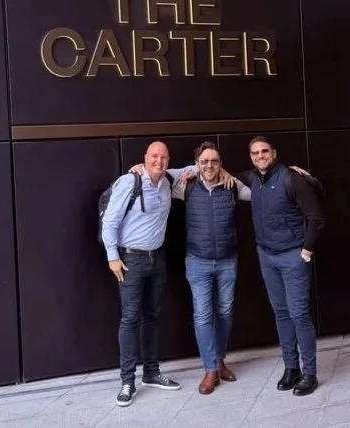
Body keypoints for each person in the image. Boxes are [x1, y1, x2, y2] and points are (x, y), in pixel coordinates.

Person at [237, 135, 326, 396]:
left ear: (274, 153)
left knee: (299, 314)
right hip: (267, 255)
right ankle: (291, 368)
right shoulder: (253, 178)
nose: (260, 156)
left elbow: (316, 218)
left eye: (264, 151)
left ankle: (309, 374)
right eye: (255, 153)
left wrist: (305, 252)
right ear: (251, 157)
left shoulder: (292, 179)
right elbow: (218, 171)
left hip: (292, 256)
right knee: (282, 313)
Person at [101, 141, 181, 407]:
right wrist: (113, 257)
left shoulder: (168, 181)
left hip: (157, 259)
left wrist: (223, 172)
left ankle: (151, 372)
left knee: (152, 317)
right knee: (130, 319)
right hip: (130, 261)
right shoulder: (130, 181)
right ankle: (127, 381)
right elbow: (110, 221)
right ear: (145, 157)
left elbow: (196, 168)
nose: (159, 161)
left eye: (164, 157)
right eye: (154, 156)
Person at [169, 141, 250, 394]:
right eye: (204, 161)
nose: (209, 165)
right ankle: (210, 370)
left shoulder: (232, 186)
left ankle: (219, 360)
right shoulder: (186, 186)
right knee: (203, 315)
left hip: (227, 260)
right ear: (196, 164)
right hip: (197, 261)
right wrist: (139, 168)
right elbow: (158, 177)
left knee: (224, 312)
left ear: (221, 164)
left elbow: (261, 192)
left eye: (214, 161)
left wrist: (293, 175)